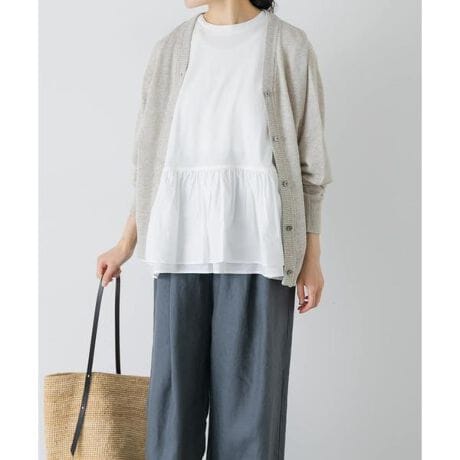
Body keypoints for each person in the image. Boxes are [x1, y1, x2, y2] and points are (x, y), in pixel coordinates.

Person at [97, 0, 332, 458]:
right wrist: (125, 242)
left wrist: (312, 256)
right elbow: (149, 164)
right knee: (172, 412)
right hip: (179, 249)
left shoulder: (289, 47)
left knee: (252, 414)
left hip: (261, 252)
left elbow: (311, 165)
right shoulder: (169, 50)